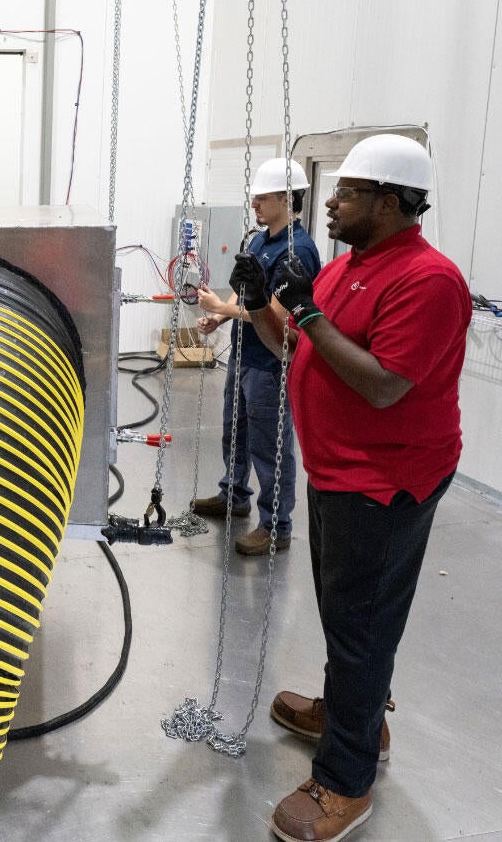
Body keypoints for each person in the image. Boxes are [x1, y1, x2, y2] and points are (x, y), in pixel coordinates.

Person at [229, 134, 470, 842]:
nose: (328, 203)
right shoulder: (349, 268)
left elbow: (384, 383)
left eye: (346, 193)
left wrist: (305, 314)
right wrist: (259, 307)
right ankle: (349, 711)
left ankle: (346, 777)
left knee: (362, 625)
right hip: (337, 471)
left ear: (390, 205)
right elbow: (301, 347)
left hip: (387, 480)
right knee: (345, 612)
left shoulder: (428, 280)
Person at [192, 158, 322, 556]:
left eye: (262, 199)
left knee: (270, 446)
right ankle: (234, 495)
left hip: (270, 363)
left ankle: (276, 526)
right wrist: (220, 312)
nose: (255, 206)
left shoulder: (298, 252)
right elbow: (243, 287)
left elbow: (277, 315)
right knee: (236, 432)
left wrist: (224, 308)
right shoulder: (260, 239)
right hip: (243, 356)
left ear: (286, 199)